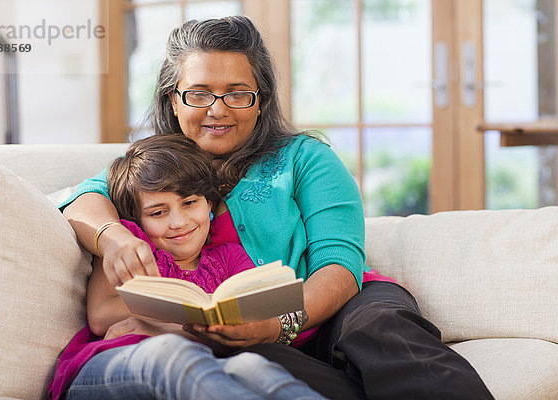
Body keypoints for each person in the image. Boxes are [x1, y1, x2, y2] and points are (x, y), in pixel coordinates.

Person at [60, 16, 493, 399]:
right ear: (174, 100)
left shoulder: (306, 158)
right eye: (198, 94)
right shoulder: (151, 168)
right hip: (244, 332)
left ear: (261, 99)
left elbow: (339, 266)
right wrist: (111, 236)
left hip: (338, 303)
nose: (217, 110)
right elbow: (80, 201)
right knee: (252, 365)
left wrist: (277, 323)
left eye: (237, 93)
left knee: (379, 329)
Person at [49, 134, 326, 400]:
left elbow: (244, 329)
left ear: (210, 204)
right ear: (138, 218)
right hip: (109, 365)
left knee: (255, 368)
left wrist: (163, 326)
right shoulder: (132, 245)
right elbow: (101, 314)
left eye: (189, 202)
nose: (178, 222)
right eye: (158, 212)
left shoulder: (229, 258)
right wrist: (189, 325)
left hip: (202, 365)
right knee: (174, 352)